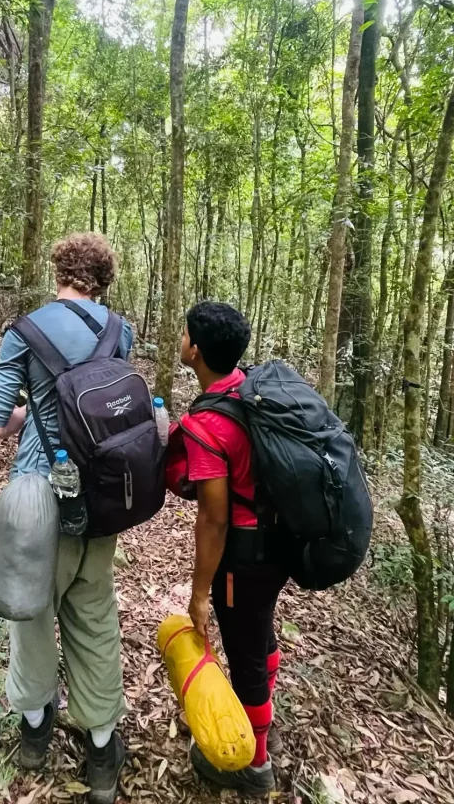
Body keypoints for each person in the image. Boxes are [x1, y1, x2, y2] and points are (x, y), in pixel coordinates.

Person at [0, 233, 132, 804]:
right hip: (100, 500)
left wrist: (25, 415)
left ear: (60, 272)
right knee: (93, 615)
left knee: (32, 616)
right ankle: (100, 754)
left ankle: (36, 737)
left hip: (37, 501)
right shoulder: (120, 332)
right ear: (103, 279)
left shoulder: (25, 332)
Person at [165, 301, 285, 797]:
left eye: (185, 332)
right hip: (279, 538)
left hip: (245, 554)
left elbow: (213, 519)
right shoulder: (252, 387)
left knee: (245, 653)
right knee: (259, 632)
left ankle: (254, 764)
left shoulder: (208, 425)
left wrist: (199, 593)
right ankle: (262, 718)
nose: (181, 337)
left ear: (195, 349)